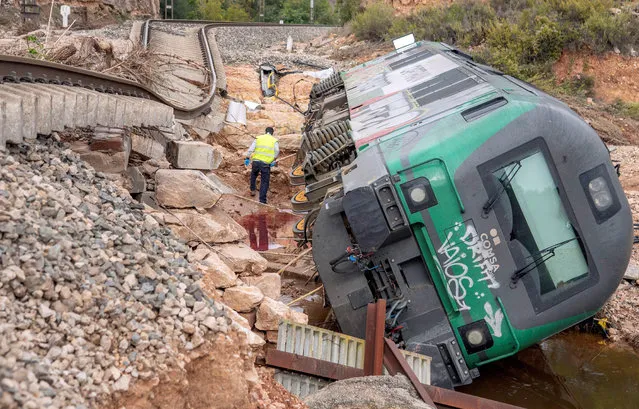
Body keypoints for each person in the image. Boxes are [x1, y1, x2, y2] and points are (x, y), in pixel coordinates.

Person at [245, 127, 279, 204]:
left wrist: (247, 157)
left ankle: (252, 190)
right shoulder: (274, 140)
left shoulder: (258, 138)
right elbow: (277, 150)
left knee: (253, 175)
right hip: (266, 163)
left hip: (256, 161)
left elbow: (251, 149)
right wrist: (273, 159)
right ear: (272, 133)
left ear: (265, 131)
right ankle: (262, 200)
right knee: (264, 181)